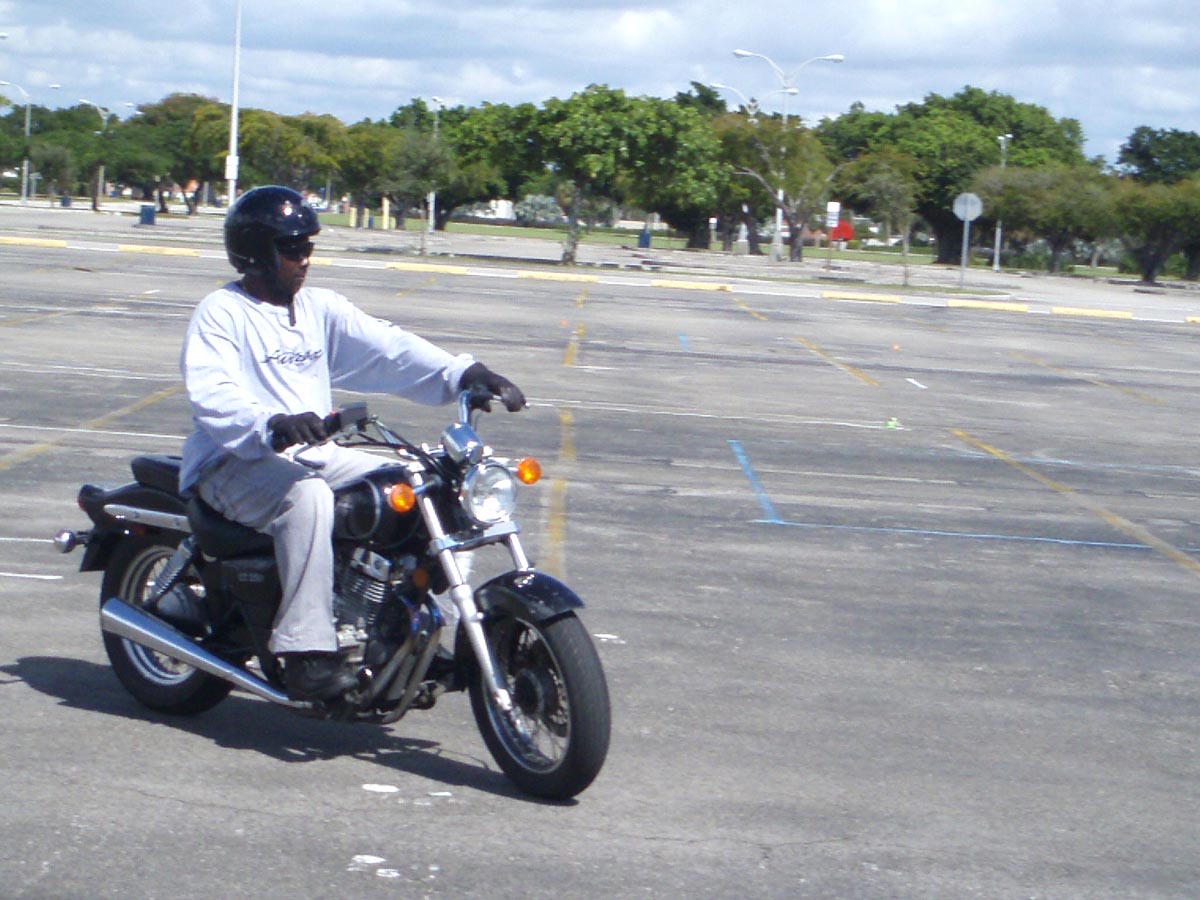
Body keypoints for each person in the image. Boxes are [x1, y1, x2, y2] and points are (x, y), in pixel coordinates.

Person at [179, 185, 525, 702]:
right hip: (233, 459)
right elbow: (214, 392)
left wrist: (463, 373)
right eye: (293, 248)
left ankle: (411, 630)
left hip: (313, 453)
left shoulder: (318, 309)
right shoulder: (222, 313)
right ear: (255, 253)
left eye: (308, 246)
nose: (305, 258)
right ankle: (306, 653)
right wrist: (272, 423)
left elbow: (388, 348)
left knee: (422, 488)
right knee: (308, 498)